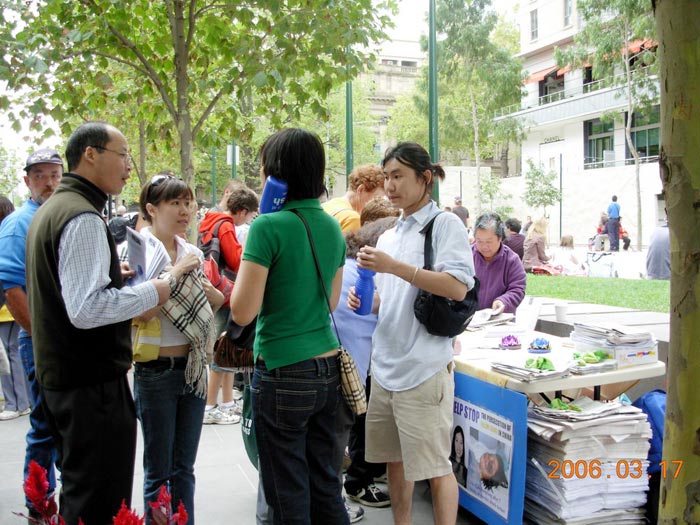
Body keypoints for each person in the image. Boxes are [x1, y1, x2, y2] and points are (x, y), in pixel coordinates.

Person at [25, 122, 174, 525]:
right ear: (90, 154)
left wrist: (113, 276)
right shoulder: (82, 217)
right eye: (122, 155)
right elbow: (86, 309)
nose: (128, 167)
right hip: (90, 387)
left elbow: (68, 290)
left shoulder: (54, 208)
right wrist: (154, 290)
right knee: (98, 500)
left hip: (66, 380)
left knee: (82, 490)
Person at [350, 142, 475, 525]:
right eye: (387, 177)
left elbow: (457, 287)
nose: (391, 185)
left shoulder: (445, 225)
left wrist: (394, 267)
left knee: (436, 467)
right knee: (395, 460)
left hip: (424, 368)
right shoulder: (390, 234)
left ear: (425, 178)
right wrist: (367, 302)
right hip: (385, 367)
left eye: (399, 176)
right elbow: (392, 299)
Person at [231, 128, 348, 524]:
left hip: (282, 370)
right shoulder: (332, 227)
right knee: (326, 485)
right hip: (327, 368)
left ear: (276, 174)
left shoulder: (268, 227)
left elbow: (242, 312)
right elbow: (331, 302)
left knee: (287, 491)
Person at [133, 174, 224, 524]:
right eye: (175, 203)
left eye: (188, 202)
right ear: (152, 209)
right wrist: (176, 273)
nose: (185, 211)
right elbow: (141, 312)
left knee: (184, 468)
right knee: (159, 471)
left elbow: (208, 305)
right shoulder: (138, 249)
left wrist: (213, 295)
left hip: (193, 368)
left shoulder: (191, 251)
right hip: (156, 371)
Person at [0, 149, 63, 519]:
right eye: (40, 175)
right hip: (40, 340)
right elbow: (11, 288)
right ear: (27, 181)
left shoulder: (57, 216)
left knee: (59, 422)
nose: (49, 182)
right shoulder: (18, 224)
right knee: (43, 425)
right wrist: (40, 336)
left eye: (54, 174)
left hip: (60, 339)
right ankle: (38, 503)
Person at [333, 218, 397, 512]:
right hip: (351, 369)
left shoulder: (344, 266)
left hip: (333, 364)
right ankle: (350, 491)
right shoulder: (368, 274)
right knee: (347, 433)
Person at [200, 186, 259, 425]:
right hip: (225, 292)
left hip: (218, 290)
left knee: (226, 347)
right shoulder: (225, 225)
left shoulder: (211, 220)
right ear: (242, 211)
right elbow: (236, 259)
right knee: (223, 349)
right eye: (250, 215)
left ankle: (225, 402)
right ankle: (210, 406)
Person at [0, 196, 31, 421]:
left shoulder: (7, 234)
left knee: (9, 353)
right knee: (14, 352)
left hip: (9, 306)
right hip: (17, 303)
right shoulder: (15, 229)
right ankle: (22, 401)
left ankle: (15, 403)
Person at [471, 213, 526, 314]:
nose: (484, 246)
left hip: (498, 318)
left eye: (489, 242)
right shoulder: (467, 256)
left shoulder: (512, 260)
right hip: (469, 318)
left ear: (500, 238)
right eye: (479, 241)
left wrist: (503, 301)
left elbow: (518, 288)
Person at [322, 163, 385, 233]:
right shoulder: (352, 219)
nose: (378, 202)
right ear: (361, 190)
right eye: (377, 198)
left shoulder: (327, 205)